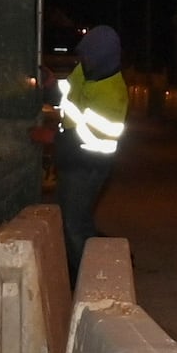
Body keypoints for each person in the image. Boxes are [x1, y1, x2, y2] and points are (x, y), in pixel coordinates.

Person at [52, 23, 133, 260]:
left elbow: (97, 143)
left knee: (74, 226)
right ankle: (91, 269)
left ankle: (92, 276)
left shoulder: (112, 94)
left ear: (101, 57)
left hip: (88, 167)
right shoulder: (87, 71)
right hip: (73, 161)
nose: (82, 59)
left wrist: (53, 138)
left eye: (87, 55)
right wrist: (49, 86)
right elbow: (67, 94)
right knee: (73, 221)